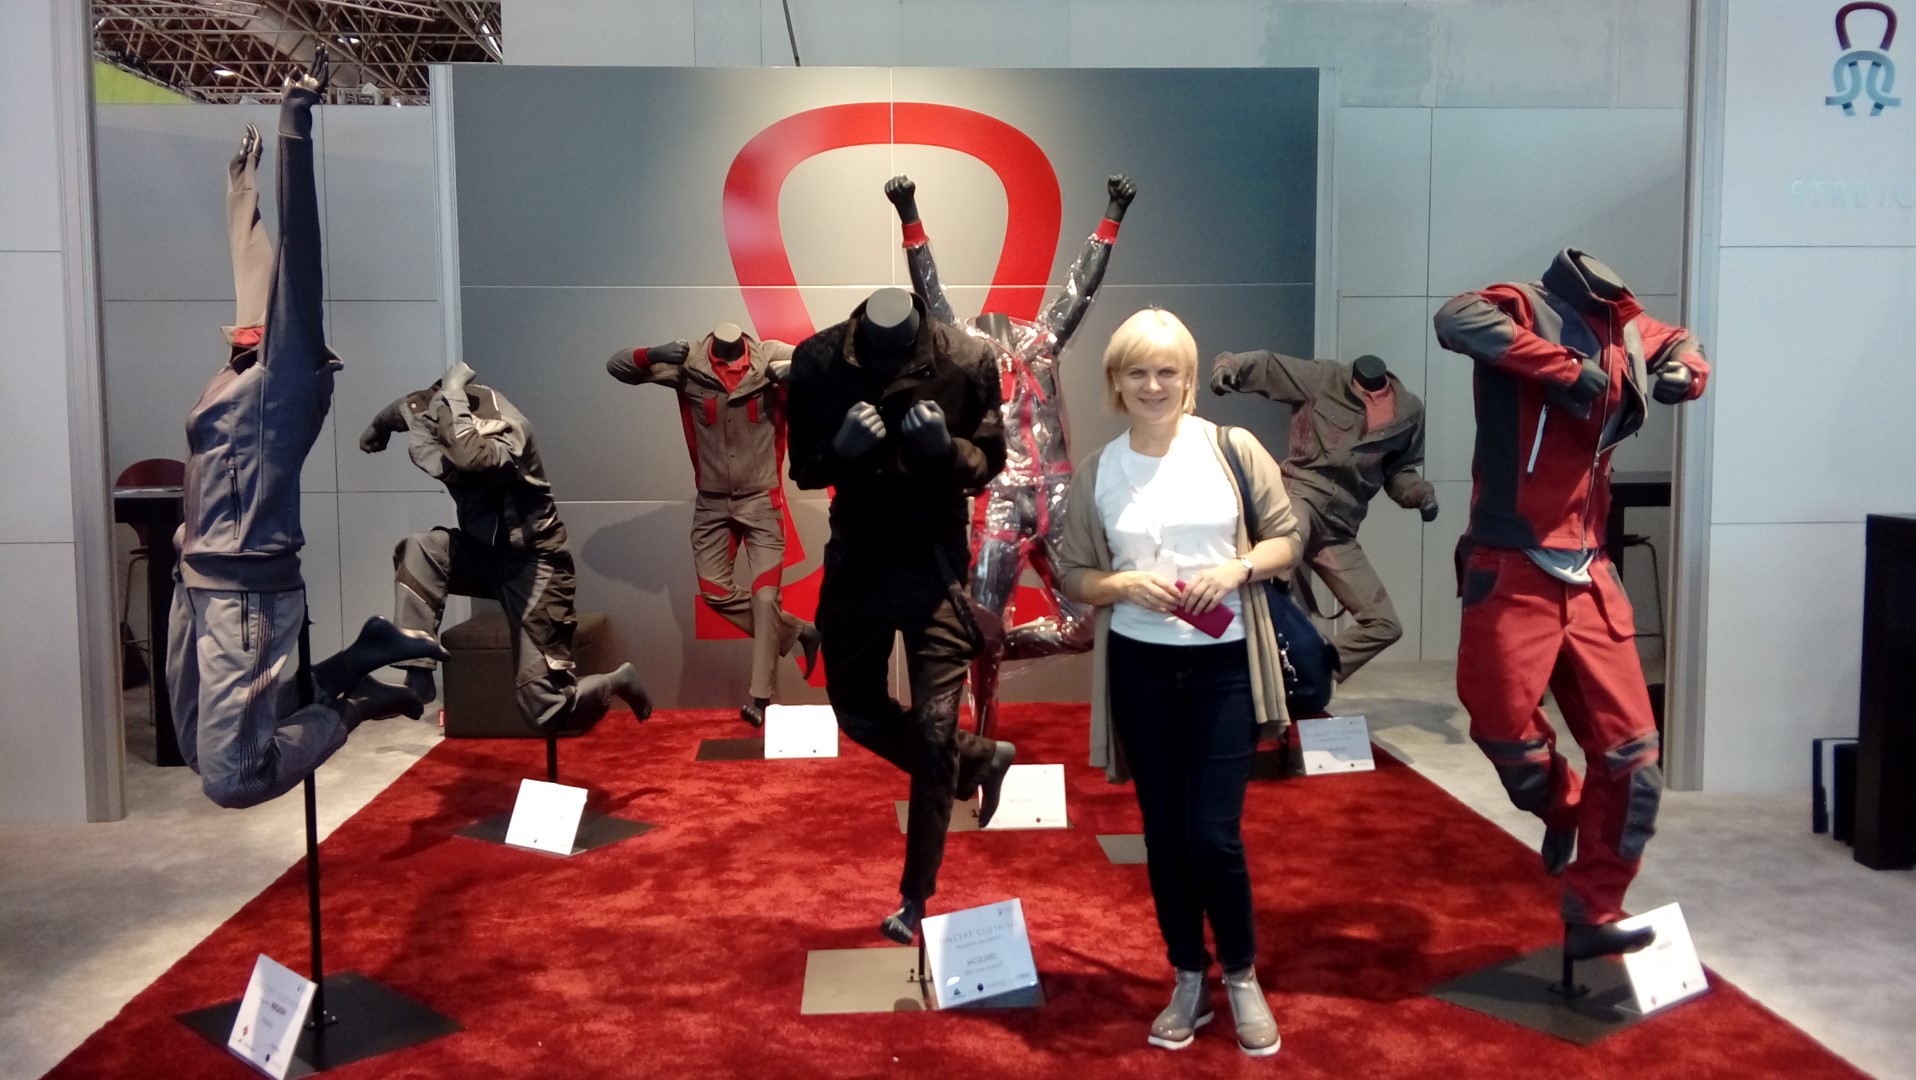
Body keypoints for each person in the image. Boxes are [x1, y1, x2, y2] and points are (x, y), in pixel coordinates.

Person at [170, 52, 447, 810]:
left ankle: (352, 704)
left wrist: (297, 129)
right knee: (197, 749)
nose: (253, 309)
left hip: (246, 592)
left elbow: (298, 259)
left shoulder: (284, 378)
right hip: (195, 581)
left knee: (235, 777)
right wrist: (240, 191)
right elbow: (256, 263)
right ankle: (360, 658)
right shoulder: (247, 361)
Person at [1433, 248, 1708, 960]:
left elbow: (1683, 346)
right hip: (1510, 560)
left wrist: (1686, 373)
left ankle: (1596, 908)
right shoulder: (1524, 305)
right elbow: (1455, 319)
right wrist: (1565, 369)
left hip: (1590, 568)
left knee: (1635, 758)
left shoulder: (1629, 327)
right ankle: (1565, 809)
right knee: (1507, 736)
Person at [1054, 309, 1301, 1057]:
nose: (1153, 385)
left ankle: (1242, 974)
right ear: (1116, 381)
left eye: (1167, 371)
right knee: (1163, 835)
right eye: (1138, 371)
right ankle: (1188, 976)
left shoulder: (1232, 448)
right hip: (1141, 669)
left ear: (1189, 378)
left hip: (1226, 667)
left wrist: (1237, 568)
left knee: (1212, 835)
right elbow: (1073, 574)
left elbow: (1288, 540)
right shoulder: (1098, 471)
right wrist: (1122, 585)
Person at [784, 287, 1018, 945]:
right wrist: (842, 448)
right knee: (855, 709)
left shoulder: (966, 358)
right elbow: (805, 468)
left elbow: (989, 462)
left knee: (936, 727)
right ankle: (980, 759)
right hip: (857, 559)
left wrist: (944, 450)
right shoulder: (816, 360)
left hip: (934, 562)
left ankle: (915, 898)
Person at [885, 173, 1136, 738]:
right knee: (984, 620)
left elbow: (1080, 290)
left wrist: (1112, 214)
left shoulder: (1042, 342)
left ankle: (992, 649)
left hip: (1058, 498)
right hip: (996, 501)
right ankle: (980, 740)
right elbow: (931, 295)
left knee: (1086, 623)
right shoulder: (963, 346)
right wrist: (909, 214)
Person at [360, 361, 652, 734]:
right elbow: (407, 408)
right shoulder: (439, 408)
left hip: (536, 566)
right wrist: (379, 428)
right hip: (483, 555)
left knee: (546, 709)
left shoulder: (509, 432)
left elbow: (471, 458)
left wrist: (453, 391)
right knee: (420, 548)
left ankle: (617, 680)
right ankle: (417, 671)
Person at [606, 323, 820, 728]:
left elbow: (830, 366)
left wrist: (795, 371)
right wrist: (653, 352)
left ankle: (760, 699)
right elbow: (617, 367)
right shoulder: (688, 364)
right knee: (715, 592)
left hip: (762, 503)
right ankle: (798, 632)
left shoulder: (771, 354)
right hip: (712, 504)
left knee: (765, 598)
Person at [1209, 350, 1437, 680]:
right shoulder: (1324, 379)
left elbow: (1400, 470)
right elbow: (1272, 367)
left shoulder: (1409, 410)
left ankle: (1309, 673)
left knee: (1385, 624)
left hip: (1340, 524)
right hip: (1300, 497)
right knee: (1283, 556)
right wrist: (1231, 367)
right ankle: (1248, 659)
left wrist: (1420, 495)